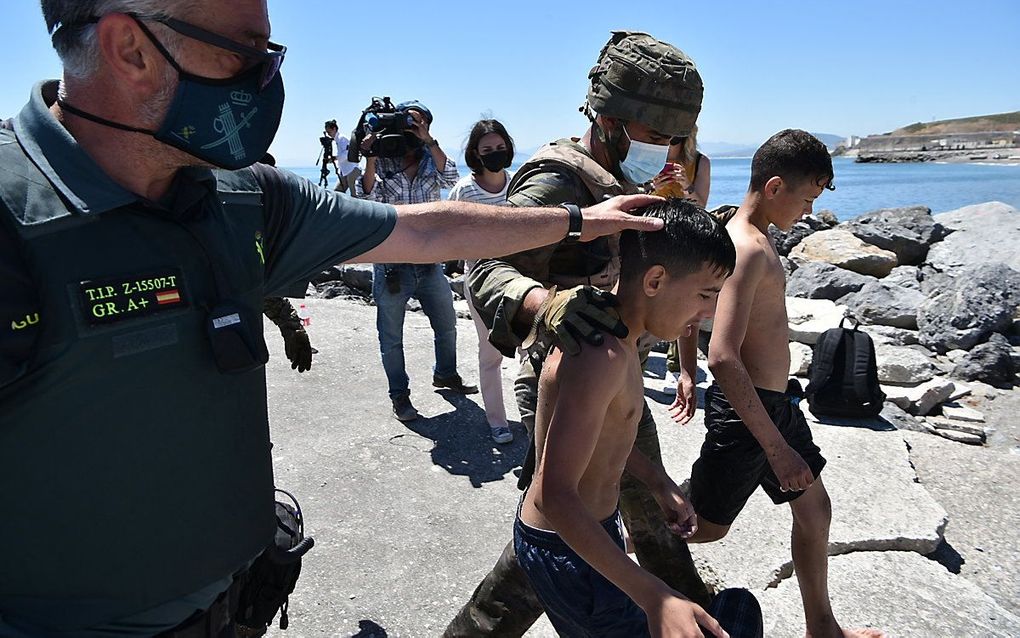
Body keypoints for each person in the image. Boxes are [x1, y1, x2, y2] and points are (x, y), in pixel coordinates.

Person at [0, 3, 664, 635]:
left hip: (234, 607)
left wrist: (577, 220)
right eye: (246, 56)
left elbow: (421, 232)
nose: (266, 81)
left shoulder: (241, 195)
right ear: (130, 49)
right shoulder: (14, 223)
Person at [447, 31, 713, 637]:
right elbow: (485, 267)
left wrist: (684, 359)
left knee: (644, 506)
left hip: (619, 370)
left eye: (676, 140)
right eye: (653, 138)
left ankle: (687, 608)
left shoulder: (646, 173)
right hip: (563, 376)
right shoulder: (558, 181)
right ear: (611, 121)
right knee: (555, 525)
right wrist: (546, 301)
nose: (666, 152)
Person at [683, 130, 884, 638]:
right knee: (703, 527)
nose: (809, 211)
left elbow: (694, 318)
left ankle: (824, 629)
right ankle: (603, 542)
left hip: (774, 405)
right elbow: (724, 357)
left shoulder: (754, 234)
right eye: (807, 199)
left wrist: (683, 369)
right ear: (774, 187)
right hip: (749, 413)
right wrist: (775, 449)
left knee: (814, 509)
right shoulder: (745, 247)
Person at [516, 199, 736, 637]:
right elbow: (553, 495)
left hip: (589, 533)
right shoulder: (602, 354)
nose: (710, 312)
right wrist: (655, 594)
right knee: (737, 611)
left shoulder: (622, 337)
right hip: (567, 546)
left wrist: (657, 482)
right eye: (705, 294)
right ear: (655, 280)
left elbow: (604, 434)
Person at [355, 100, 478, 421]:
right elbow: (364, 197)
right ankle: (400, 396)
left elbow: (452, 178)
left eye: (418, 122)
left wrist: (428, 139)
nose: (410, 129)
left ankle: (446, 374)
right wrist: (370, 158)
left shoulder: (429, 159)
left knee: (447, 326)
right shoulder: (382, 158)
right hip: (392, 263)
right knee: (391, 337)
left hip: (429, 261)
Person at [448, 119, 517, 444]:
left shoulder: (519, 184)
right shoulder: (464, 190)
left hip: (522, 279)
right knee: (491, 354)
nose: (495, 154)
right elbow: (451, 231)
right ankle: (497, 421)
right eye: (487, 150)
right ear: (475, 153)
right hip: (480, 282)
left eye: (500, 148)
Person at [660, 124, 712, 397]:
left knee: (682, 303)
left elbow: (701, 206)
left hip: (686, 240)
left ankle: (675, 367)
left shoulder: (700, 162)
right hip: (651, 235)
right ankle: (634, 363)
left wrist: (685, 185)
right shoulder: (647, 158)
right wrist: (650, 186)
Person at [324, 118, 362, 195]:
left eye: (329, 131)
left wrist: (334, 158)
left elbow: (347, 153)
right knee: (337, 193)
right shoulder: (337, 140)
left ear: (334, 129)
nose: (328, 134)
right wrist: (331, 160)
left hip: (352, 170)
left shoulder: (342, 139)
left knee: (355, 195)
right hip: (345, 171)